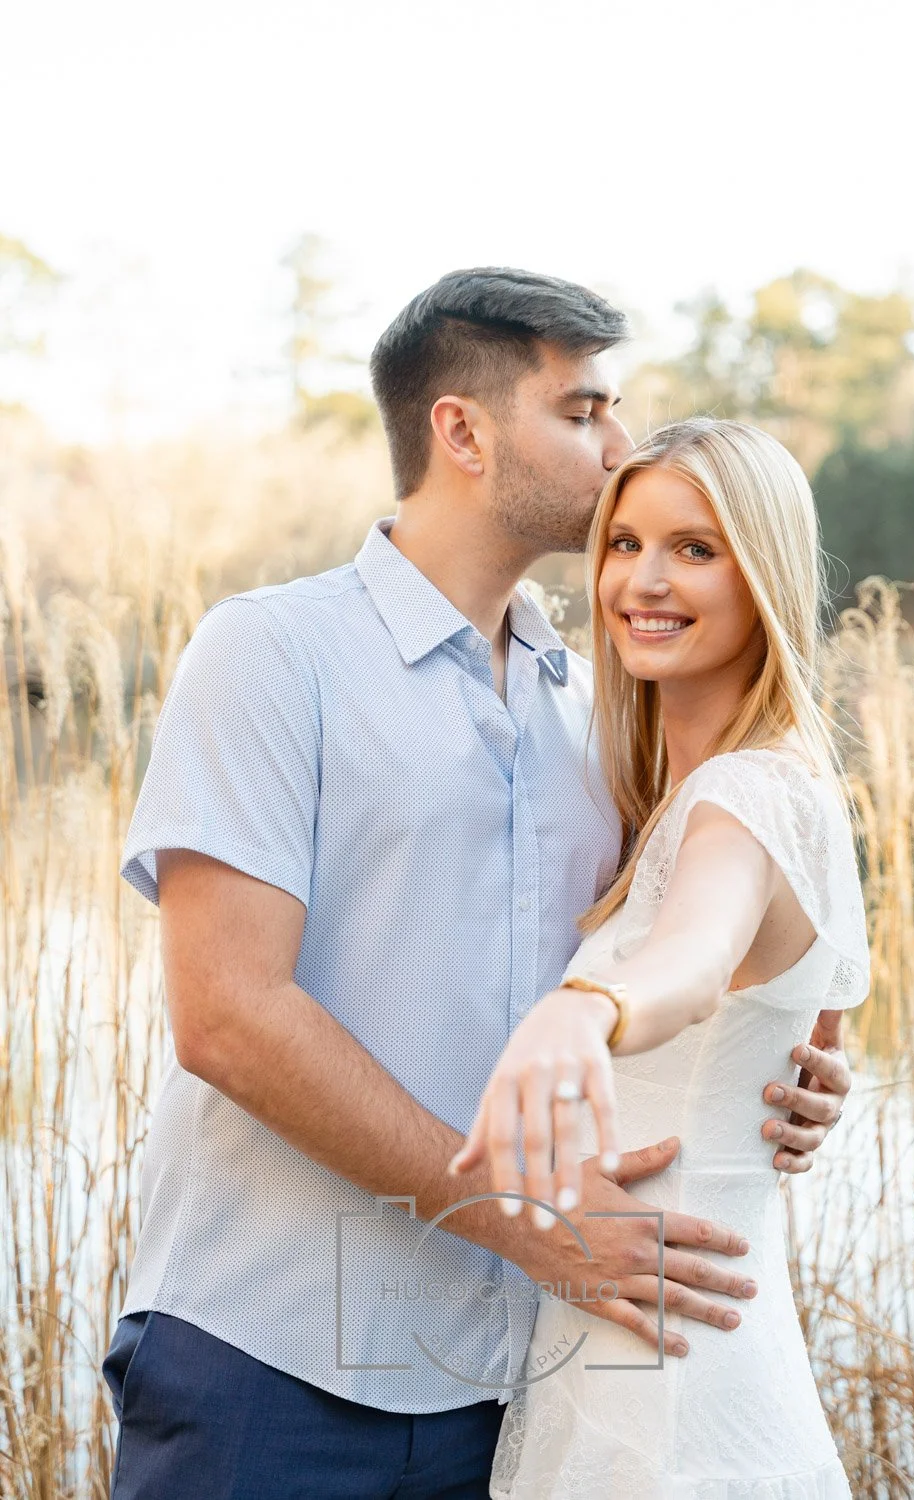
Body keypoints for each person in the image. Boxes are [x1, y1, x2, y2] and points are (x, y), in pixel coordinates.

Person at [101, 270, 855, 1499]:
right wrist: (531, 1229)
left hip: (514, 1387)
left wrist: (786, 1056)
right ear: (462, 430)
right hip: (277, 1361)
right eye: (583, 411)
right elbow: (228, 1018)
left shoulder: (594, 711)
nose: (618, 449)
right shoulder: (274, 653)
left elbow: (689, 943)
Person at [449, 417, 870, 1497]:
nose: (643, 579)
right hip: (627, 1363)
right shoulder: (686, 801)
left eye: (695, 548)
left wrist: (583, 1007)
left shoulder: (746, 796)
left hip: (674, 1386)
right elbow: (798, 1036)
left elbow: (690, 962)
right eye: (624, 543)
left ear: (762, 571)